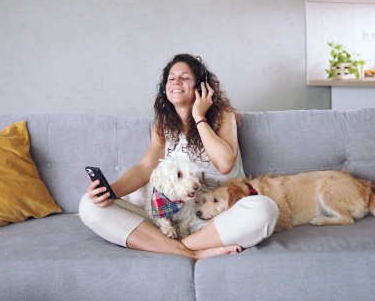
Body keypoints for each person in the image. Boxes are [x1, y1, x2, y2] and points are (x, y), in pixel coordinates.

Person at [79, 54, 278, 260]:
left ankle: (169, 246)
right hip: (172, 215)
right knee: (89, 205)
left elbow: (225, 164)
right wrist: (108, 192)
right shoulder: (164, 125)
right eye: (171, 78)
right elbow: (145, 167)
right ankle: (193, 252)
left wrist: (199, 117)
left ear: (201, 87)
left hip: (216, 216)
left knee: (264, 209)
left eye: (185, 77)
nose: (176, 82)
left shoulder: (222, 116)